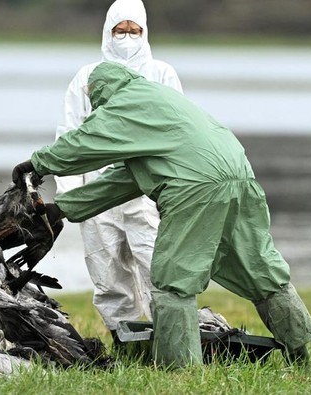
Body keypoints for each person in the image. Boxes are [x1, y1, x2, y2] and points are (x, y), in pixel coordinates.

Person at [12, 61, 311, 368]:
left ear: (100, 91)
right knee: (261, 270)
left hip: (196, 188)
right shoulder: (158, 101)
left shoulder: (125, 102)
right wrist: (63, 208)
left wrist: (38, 164)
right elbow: (129, 178)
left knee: (173, 281)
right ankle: (301, 356)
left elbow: (85, 143)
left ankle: (180, 370)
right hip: (241, 179)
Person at [54, 0, 182, 344]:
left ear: (145, 32)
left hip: (146, 189)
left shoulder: (162, 74)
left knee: (156, 264)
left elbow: (178, 132)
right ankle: (125, 342)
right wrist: (70, 195)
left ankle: (168, 342)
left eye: (134, 31)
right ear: (107, 32)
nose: (127, 38)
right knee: (107, 271)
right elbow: (69, 135)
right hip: (97, 191)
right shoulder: (85, 78)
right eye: (120, 31)